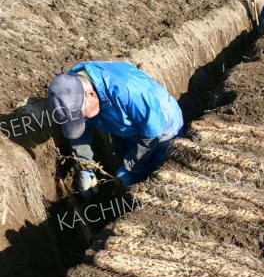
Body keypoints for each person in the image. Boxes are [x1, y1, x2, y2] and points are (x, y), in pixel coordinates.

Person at [47, 61, 184, 195]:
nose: (85, 121)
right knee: (127, 169)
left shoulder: (129, 91)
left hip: (162, 130)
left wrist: (129, 168)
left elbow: (151, 135)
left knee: (151, 178)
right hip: (124, 129)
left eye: (85, 117)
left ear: (92, 95)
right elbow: (80, 130)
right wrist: (85, 165)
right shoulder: (69, 87)